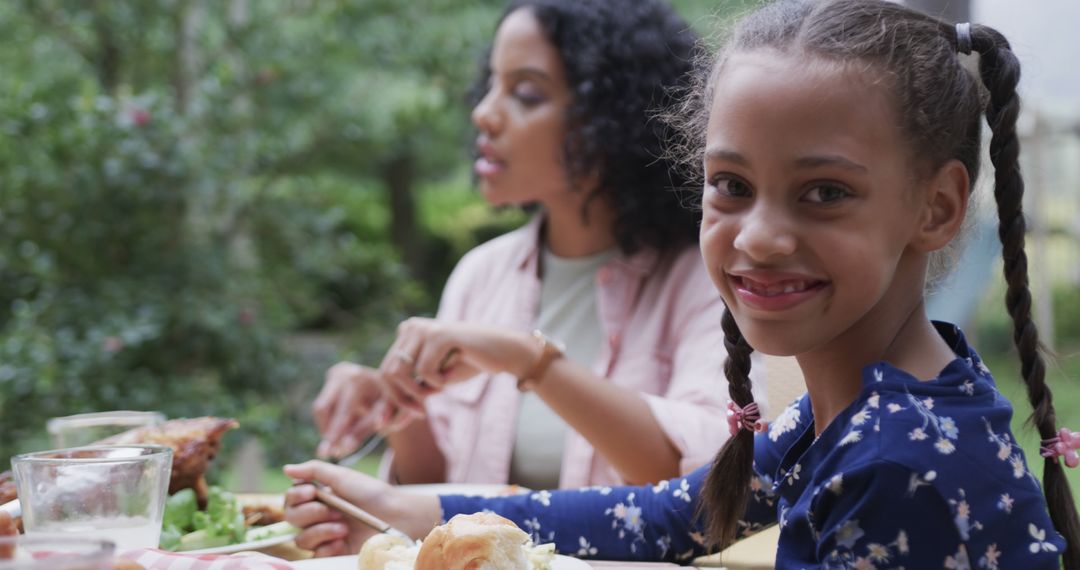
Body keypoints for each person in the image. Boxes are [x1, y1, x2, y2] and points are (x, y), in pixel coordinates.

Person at [285, 0, 1080, 565]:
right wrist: (413, 512)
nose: (760, 235)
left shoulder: (899, 469)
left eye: (825, 193)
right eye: (731, 184)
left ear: (936, 208)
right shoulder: (858, 411)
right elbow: (672, 517)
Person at [313, 0, 746, 495]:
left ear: (614, 116)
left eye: (525, 93)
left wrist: (529, 361)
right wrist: (398, 408)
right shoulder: (482, 273)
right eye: (490, 85)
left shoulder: (706, 278)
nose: (483, 113)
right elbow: (437, 494)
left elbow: (706, 482)